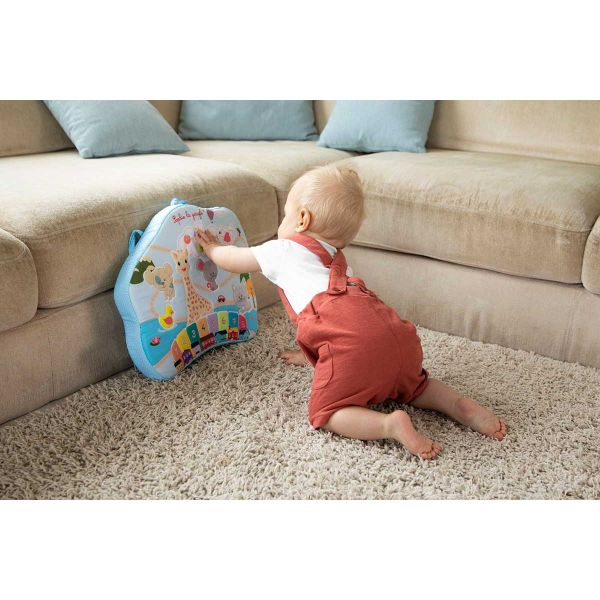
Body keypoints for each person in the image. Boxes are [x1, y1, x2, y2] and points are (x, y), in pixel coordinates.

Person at [195, 164, 506, 459]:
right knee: (415, 386)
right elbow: (346, 321)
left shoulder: (282, 250)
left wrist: (211, 249)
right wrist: (312, 356)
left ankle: (389, 425)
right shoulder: (338, 261)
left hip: (354, 349)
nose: (283, 221)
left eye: (286, 214)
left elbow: (234, 260)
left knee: (325, 412)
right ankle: (459, 405)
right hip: (398, 337)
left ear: (301, 219)